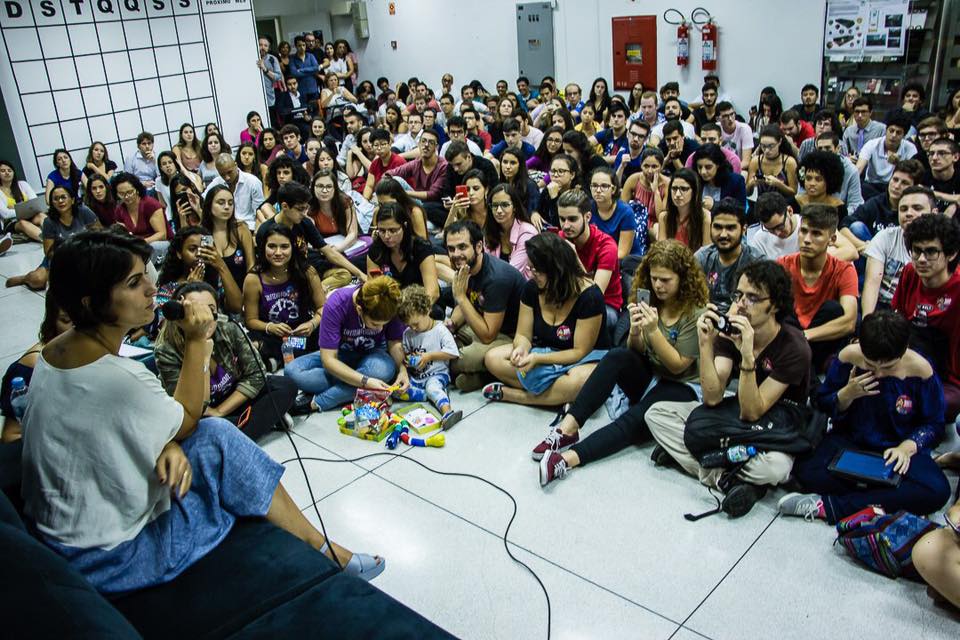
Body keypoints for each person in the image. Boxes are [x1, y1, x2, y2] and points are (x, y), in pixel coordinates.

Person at [21, 231, 384, 593]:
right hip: (112, 557)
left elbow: (110, 428)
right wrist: (197, 341)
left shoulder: (52, 352)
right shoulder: (125, 375)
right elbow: (187, 419)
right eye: (133, 283)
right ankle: (324, 550)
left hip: (67, 534)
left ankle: (319, 545)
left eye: (146, 275)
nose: (150, 289)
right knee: (222, 443)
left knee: (224, 430)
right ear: (91, 303)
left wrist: (167, 443)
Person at [645, 260, 812, 518]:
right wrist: (705, 344)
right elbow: (712, 398)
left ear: (775, 305)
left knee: (775, 469)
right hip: (734, 414)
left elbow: (752, 411)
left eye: (752, 298)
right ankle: (728, 479)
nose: (741, 304)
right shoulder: (730, 330)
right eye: (739, 295)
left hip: (774, 425)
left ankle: (700, 458)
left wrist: (747, 356)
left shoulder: (794, 347)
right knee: (656, 415)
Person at [537, 239, 709, 486]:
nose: (658, 285)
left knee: (635, 417)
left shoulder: (695, 312)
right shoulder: (651, 300)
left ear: (683, 279)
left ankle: (569, 459)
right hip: (652, 373)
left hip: (682, 386)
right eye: (654, 278)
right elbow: (635, 351)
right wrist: (636, 331)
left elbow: (678, 366)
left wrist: (653, 331)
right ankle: (566, 429)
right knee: (617, 356)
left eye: (665, 280)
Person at [779, 309, 949, 523]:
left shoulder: (921, 369)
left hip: (897, 449)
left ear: (904, 350)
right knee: (807, 470)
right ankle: (891, 501)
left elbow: (934, 424)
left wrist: (907, 447)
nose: (878, 374)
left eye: (888, 367)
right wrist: (846, 394)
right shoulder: (849, 356)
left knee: (937, 490)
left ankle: (831, 507)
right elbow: (822, 402)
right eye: (870, 365)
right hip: (852, 442)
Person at [155, 281, 299, 441]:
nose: (205, 318)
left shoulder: (229, 329)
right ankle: (257, 422)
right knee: (202, 428)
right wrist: (203, 359)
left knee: (285, 386)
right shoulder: (166, 350)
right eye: (196, 310)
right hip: (202, 413)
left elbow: (256, 374)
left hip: (233, 398)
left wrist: (220, 411)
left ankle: (236, 430)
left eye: (210, 310)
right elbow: (188, 411)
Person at [482, 232, 607, 407]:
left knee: (580, 381)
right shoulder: (531, 289)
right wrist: (521, 349)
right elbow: (523, 334)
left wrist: (538, 359)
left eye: (537, 270)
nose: (532, 274)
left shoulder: (590, 297)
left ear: (556, 269)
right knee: (492, 358)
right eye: (530, 268)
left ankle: (518, 396)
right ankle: (558, 396)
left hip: (583, 359)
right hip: (544, 349)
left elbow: (579, 352)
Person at [284, 276, 406, 411]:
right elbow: (329, 359)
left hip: (373, 357)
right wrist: (365, 381)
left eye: (384, 324)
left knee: (382, 370)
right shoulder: (336, 303)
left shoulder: (390, 303)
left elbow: (394, 342)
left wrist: (402, 370)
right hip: (340, 355)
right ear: (359, 309)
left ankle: (319, 401)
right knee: (292, 372)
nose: (380, 329)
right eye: (375, 324)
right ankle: (366, 390)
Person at [441, 220, 526, 391]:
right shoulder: (466, 265)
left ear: (479, 247)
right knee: (440, 341)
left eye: (462, 247)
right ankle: (481, 375)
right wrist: (450, 325)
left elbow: (488, 335)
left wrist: (460, 297)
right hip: (481, 323)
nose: (456, 254)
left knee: (460, 358)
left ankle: (485, 374)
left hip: (510, 337)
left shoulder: (497, 278)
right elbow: (466, 306)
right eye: (451, 249)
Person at [891, 213, 960, 420]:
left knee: (940, 404)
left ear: (951, 254)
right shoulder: (910, 272)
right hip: (909, 358)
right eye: (916, 251)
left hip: (949, 374)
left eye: (930, 252)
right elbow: (898, 320)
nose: (921, 259)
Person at [777, 205, 858, 372]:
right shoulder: (783, 265)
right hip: (788, 338)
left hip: (818, 342)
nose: (807, 239)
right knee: (781, 308)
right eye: (803, 231)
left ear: (832, 239)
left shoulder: (844, 270)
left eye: (816, 234)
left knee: (833, 309)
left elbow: (849, 322)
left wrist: (804, 336)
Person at [243, 223, 326, 369]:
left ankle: (278, 360)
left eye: (284, 247)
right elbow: (250, 320)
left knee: (330, 332)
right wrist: (270, 327)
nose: (278, 252)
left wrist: (312, 324)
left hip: (303, 332)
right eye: (272, 246)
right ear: (263, 248)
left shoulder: (307, 272)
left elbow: (323, 308)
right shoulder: (253, 279)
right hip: (272, 336)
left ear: (293, 247)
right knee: (252, 344)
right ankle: (289, 357)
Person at [257, 181, 366, 291]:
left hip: (308, 270)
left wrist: (360, 274)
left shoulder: (304, 222)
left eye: (306, 208)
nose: (305, 213)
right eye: (300, 209)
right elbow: (267, 269)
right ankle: (315, 291)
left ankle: (317, 290)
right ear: (285, 206)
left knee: (344, 275)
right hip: (286, 277)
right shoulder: (266, 231)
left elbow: (329, 252)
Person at [1, 295, 72, 442]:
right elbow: (10, 436)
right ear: (53, 321)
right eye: (66, 320)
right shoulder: (30, 369)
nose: (75, 329)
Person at [5, 186, 100, 290]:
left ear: (72, 200)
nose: (60, 201)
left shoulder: (84, 211)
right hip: (59, 259)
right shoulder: (49, 222)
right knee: (37, 280)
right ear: (52, 203)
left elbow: (100, 234)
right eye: (56, 199)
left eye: (63, 197)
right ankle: (25, 278)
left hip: (86, 255)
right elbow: (49, 253)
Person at [862, 186, 937, 316]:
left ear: (934, 213)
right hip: (884, 308)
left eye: (917, 208)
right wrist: (867, 322)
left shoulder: (944, 244)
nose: (908, 213)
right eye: (903, 209)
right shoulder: (885, 237)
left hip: (926, 310)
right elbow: (872, 285)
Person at [393, 285, 462, 427]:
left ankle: (447, 412)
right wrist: (409, 359)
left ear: (427, 310)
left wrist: (429, 356)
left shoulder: (440, 330)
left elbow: (453, 352)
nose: (413, 328)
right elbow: (406, 355)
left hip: (437, 374)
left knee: (433, 388)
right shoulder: (408, 333)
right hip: (417, 377)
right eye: (409, 325)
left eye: (415, 324)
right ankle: (426, 396)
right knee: (397, 391)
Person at [556, 189, 623, 329]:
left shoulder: (607, 246)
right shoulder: (561, 237)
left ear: (587, 217)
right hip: (570, 298)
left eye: (572, 219)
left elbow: (595, 297)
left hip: (605, 304)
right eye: (562, 219)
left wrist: (574, 257)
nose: (566, 226)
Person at [839, 158, 925, 256]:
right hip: (870, 255)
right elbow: (844, 226)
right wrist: (868, 248)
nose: (896, 186)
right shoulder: (876, 202)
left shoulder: (916, 212)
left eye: (904, 183)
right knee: (856, 227)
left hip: (902, 258)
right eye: (895, 180)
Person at [695, 198, 761, 313]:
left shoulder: (756, 262)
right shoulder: (702, 258)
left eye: (730, 228)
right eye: (718, 227)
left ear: (744, 229)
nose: (723, 234)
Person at [749, 191, 857, 261]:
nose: (777, 233)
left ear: (790, 211)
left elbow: (851, 252)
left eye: (780, 226)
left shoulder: (811, 224)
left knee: (830, 250)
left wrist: (807, 265)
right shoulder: (760, 238)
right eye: (770, 230)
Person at [367, 202, 439, 302]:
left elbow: (433, 292)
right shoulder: (375, 250)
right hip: (391, 304)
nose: (387, 236)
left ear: (404, 226)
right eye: (382, 231)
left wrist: (413, 310)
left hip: (422, 303)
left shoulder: (421, 248)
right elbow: (372, 290)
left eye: (393, 230)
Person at [200, 186, 256, 313]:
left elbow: (251, 266)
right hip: (212, 297)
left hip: (241, 295)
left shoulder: (240, 229)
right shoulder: (202, 234)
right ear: (209, 205)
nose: (227, 207)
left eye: (230, 203)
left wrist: (249, 297)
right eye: (221, 203)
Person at [385, 128, 448, 228]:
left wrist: (403, 193)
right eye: (423, 141)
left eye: (431, 142)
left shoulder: (443, 166)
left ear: (436, 147)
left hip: (436, 209)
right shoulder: (416, 163)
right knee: (395, 179)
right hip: (419, 204)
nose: (426, 145)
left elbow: (433, 194)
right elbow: (390, 173)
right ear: (418, 144)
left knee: (426, 226)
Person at [308, 169, 371, 262]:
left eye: (329, 186)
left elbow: (353, 234)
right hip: (323, 250)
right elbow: (310, 240)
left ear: (335, 188)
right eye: (320, 186)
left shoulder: (345, 202)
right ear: (313, 187)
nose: (324, 190)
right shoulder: (308, 208)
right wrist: (327, 251)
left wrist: (338, 249)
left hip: (347, 246)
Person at [484, 183, 538, 279]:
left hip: (523, 285)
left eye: (505, 205)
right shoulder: (490, 231)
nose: (499, 210)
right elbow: (486, 267)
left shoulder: (528, 233)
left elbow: (512, 273)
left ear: (515, 207)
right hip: (496, 283)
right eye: (495, 205)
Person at [111, 173, 171, 260]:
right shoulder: (119, 210)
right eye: (121, 194)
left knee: (153, 247)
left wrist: (139, 243)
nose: (126, 197)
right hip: (135, 247)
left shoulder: (150, 204)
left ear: (137, 189)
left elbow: (162, 234)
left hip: (157, 244)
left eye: (130, 192)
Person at [856, 115, 917, 196]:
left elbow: (915, 173)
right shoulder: (872, 144)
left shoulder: (910, 148)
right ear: (886, 130)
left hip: (895, 186)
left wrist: (899, 164)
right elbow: (858, 168)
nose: (894, 135)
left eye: (898, 133)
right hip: (872, 185)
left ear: (904, 135)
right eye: (891, 131)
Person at [589, 166, 641, 258]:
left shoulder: (626, 212)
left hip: (625, 262)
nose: (598, 190)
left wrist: (600, 262)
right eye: (594, 185)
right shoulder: (586, 208)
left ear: (613, 189)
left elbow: (622, 253)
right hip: (597, 257)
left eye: (604, 186)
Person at [204, 153, 265, 231]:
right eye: (222, 174)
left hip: (248, 227)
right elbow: (203, 199)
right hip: (223, 227)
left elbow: (259, 211)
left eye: (229, 172)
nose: (227, 177)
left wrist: (256, 232)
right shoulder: (217, 182)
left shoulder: (253, 182)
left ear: (236, 165)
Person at [657, 168, 710, 252]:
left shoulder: (704, 216)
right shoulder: (664, 217)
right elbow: (661, 251)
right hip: (669, 259)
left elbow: (706, 253)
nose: (677, 194)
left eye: (684, 189)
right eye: (674, 188)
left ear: (694, 191)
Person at [812, 130, 864, 211]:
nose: (823, 152)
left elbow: (855, 204)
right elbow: (801, 197)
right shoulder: (810, 168)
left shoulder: (851, 171)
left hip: (840, 214)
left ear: (838, 149)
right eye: (820, 149)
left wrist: (838, 215)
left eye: (827, 148)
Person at [794, 150, 849, 222]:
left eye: (818, 179)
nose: (812, 183)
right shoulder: (794, 203)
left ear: (829, 181)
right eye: (808, 178)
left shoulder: (838, 208)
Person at [621, 148, 667, 231]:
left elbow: (661, 218)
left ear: (661, 167)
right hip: (635, 223)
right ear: (641, 165)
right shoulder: (633, 179)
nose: (650, 171)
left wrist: (656, 191)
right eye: (646, 166)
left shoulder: (667, 184)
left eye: (654, 166)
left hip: (656, 226)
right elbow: (622, 209)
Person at [746, 125, 798, 198]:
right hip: (761, 202)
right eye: (763, 146)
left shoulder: (789, 162)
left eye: (771, 146)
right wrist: (751, 184)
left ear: (779, 142)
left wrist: (779, 184)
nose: (767, 150)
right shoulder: (755, 161)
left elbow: (793, 192)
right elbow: (747, 193)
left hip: (784, 202)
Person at [692, 143, 747, 211]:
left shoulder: (736, 181)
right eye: (700, 167)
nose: (703, 172)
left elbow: (741, 210)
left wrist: (715, 205)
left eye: (708, 167)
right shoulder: (695, 180)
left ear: (718, 164)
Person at [532, 153, 579, 230]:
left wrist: (554, 198)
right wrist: (534, 213)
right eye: (553, 171)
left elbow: (560, 226)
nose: (556, 175)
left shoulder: (578, 194)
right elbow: (537, 208)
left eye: (561, 171)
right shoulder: (548, 189)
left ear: (572, 175)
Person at [1, 159, 40, 244]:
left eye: (9, 170)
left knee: (41, 216)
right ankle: (48, 241)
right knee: (23, 223)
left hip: (30, 216)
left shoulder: (23, 184)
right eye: (3, 171)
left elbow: (35, 204)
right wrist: (25, 208)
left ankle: (59, 234)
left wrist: (15, 208)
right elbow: (6, 214)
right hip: (12, 222)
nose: (7, 173)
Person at [362, 129, 406, 200]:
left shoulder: (399, 162)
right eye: (376, 145)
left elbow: (400, 190)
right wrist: (365, 200)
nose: (379, 148)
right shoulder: (375, 163)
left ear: (389, 144)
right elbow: (369, 186)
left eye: (383, 144)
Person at [924, 137, 960, 218]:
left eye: (942, 153)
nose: (934, 158)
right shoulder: (922, 178)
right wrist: (954, 199)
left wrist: (927, 192)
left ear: (955, 157)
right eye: (931, 153)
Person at [500, 147, 540, 214]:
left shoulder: (530, 185)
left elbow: (533, 212)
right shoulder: (499, 184)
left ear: (520, 165)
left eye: (513, 163)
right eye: (505, 162)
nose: (508, 167)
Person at [717, 101, 753, 168]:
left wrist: (730, 171)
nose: (730, 119)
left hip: (740, 168)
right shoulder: (716, 129)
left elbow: (746, 162)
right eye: (725, 116)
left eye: (732, 114)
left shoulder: (745, 129)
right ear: (718, 119)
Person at [257, 37, 283, 126]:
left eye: (265, 45)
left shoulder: (272, 59)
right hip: (254, 98)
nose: (263, 47)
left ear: (268, 48)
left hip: (269, 98)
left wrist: (265, 69)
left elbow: (278, 76)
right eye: (260, 45)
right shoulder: (250, 58)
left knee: (271, 124)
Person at [289, 35, 320, 105]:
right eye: (299, 45)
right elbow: (294, 73)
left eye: (304, 45)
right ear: (296, 46)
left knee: (316, 110)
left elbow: (316, 68)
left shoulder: (311, 56)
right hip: (301, 91)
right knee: (304, 110)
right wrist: (311, 71)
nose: (302, 47)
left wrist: (302, 70)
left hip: (313, 89)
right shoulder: (292, 58)